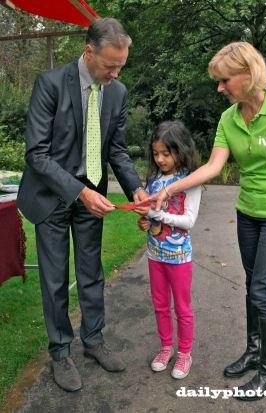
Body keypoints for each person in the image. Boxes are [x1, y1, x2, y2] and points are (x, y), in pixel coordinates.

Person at [151, 42, 266, 399]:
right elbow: (212, 167)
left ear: (248, 74)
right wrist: (169, 190)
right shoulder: (229, 119)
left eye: (225, 80)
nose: (220, 87)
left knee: (262, 289)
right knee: (251, 285)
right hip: (248, 213)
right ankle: (254, 352)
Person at [17, 18, 147, 392]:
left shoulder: (117, 91)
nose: (115, 72)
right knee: (55, 279)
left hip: (92, 197)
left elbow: (117, 150)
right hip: (52, 197)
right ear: (89, 51)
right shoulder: (50, 83)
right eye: (109, 65)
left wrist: (135, 188)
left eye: (120, 65)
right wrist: (79, 191)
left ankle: (93, 342)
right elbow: (36, 155)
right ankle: (60, 352)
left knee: (92, 272)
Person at [136, 121, 202, 379]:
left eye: (166, 153)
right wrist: (144, 221)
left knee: (182, 307)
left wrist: (157, 214)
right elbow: (150, 220)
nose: (160, 159)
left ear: (181, 150)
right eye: (156, 154)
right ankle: (166, 347)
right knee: (160, 305)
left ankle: (185, 352)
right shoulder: (152, 181)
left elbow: (188, 221)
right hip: (154, 256)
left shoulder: (190, 181)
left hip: (179, 258)